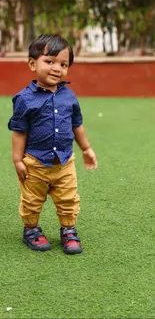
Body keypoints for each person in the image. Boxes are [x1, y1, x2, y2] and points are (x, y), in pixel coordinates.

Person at [8, 34, 97, 254]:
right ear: (32, 63)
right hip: (35, 163)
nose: (57, 68)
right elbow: (19, 131)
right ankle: (31, 229)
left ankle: (68, 230)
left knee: (68, 198)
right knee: (31, 199)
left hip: (64, 162)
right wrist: (17, 159)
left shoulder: (69, 96)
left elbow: (77, 124)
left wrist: (86, 148)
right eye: (50, 61)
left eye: (63, 64)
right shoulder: (24, 98)